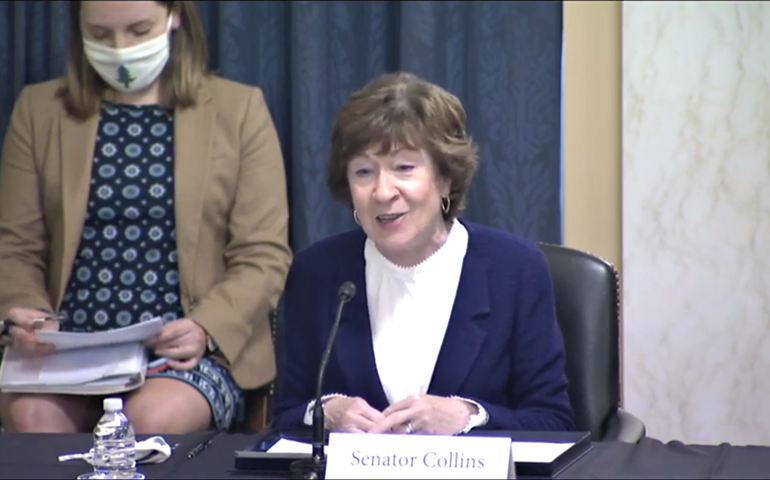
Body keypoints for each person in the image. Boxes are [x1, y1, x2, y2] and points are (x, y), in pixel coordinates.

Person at [0, 0, 291, 434]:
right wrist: (24, 312)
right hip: (65, 352)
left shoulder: (239, 110)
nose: (119, 50)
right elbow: (15, 245)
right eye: (99, 35)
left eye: (138, 31)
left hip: (186, 352)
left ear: (175, 16)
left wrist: (205, 327)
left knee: (149, 421)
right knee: (34, 417)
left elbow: (263, 255)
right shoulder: (39, 110)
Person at [272, 72, 575, 435]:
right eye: (364, 172)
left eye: (404, 168)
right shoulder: (316, 272)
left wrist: (467, 417)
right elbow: (284, 418)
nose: (383, 192)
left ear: (445, 177)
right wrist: (323, 412)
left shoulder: (516, 270)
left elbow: (554, 422)